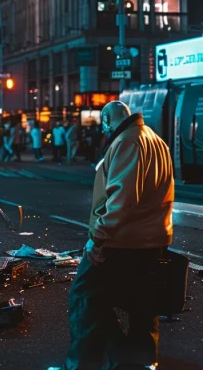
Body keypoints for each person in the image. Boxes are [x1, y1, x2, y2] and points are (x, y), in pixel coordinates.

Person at [66, 101, 173, 369]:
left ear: (107, 120)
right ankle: (142, 362)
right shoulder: (156, 140)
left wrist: (98, 238)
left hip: (122, 240)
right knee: (143, 306)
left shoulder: (127, 142)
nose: (102, 128)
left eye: (103, 122)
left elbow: (122, 200)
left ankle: (84, 363)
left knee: (85, 297)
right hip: (152, 239)